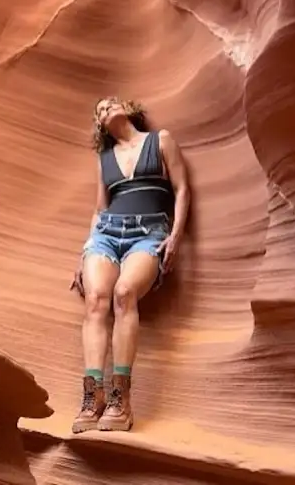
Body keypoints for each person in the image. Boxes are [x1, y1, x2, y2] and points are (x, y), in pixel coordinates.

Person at [68, 96, 189, 433]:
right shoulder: (104, 157)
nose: (107, 109)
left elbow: (181, 190)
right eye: (100, 110)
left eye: (111, 104)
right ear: (99, 125)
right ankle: (93, 397)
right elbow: (99, 208)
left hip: (148, 233)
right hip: (106, 235)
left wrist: (176, 236)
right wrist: (84, 251)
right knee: (95, 300)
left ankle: (121, 399)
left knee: (124, 293)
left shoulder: (160, 140)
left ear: (130, 108)